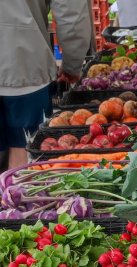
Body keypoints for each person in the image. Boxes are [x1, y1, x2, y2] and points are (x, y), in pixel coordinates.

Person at [0, 1, 92, 170]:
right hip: (25, 66)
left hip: (25, 70)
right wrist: (73, 63)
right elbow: (71, 12)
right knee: (28, 160)